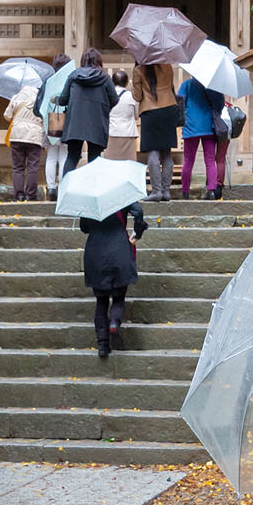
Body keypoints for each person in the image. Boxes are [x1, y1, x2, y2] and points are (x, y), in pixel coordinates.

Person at [79, 198, 147, 359]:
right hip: (119, 249)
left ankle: (103, 345)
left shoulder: (90, 199)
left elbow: (84, 228)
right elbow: (138, 211)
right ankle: (115, 322)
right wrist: (138, 232)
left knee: (101, 301)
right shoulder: (122, 195)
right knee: (118, 296)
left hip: (95, 253)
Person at [55, 48, 116, 171]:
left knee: (72, 157)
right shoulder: (105, 78)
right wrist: (103, 108)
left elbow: (63, 100)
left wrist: (56, 99)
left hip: (75, 123)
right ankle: (92, 189)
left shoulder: (73, 76)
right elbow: (114, 99)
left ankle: (66, 188)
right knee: (94, 158)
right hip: (97, 122)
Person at [177, 70, 225, 199]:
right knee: (210, 161)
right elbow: (220, 104)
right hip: (208, 126)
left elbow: (179, 103)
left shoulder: (186, 85)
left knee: (188, 161)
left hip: (191, 127)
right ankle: (212, 190)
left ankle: (185, 191)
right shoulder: (212, 86)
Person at [138, 65, 181, 203]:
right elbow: (171, 88)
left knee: (153, 152)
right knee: (167, 153)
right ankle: (166, 191)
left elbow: (137, 95)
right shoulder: (167, 67)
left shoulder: (139, 69)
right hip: (168, 110)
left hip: (149, 112)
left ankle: (156, 191)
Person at [4, 78, 46, 201]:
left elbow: (7, 115)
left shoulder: (16, 97)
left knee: (18, 167)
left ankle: (19, 195)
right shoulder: (40, 98)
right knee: (33, 167)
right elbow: (45, 117)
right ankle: (30, 194)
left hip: (17, 134)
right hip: (34, 135)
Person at [39, 53, 75, 189]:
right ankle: (62, 186)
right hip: (67, 119)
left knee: (52, 156)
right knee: (64, 155)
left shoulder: (49, 80)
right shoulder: (70, 80)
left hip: (51, 119)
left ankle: (51, 187)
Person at [104, 70, 140, 161]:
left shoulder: (106, 95)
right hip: (128, 133)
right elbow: (136, 116)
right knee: (128, 164)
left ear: (112, 82)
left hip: (111, 132)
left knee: (111, 164)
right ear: (126, 82)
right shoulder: (132, 96)